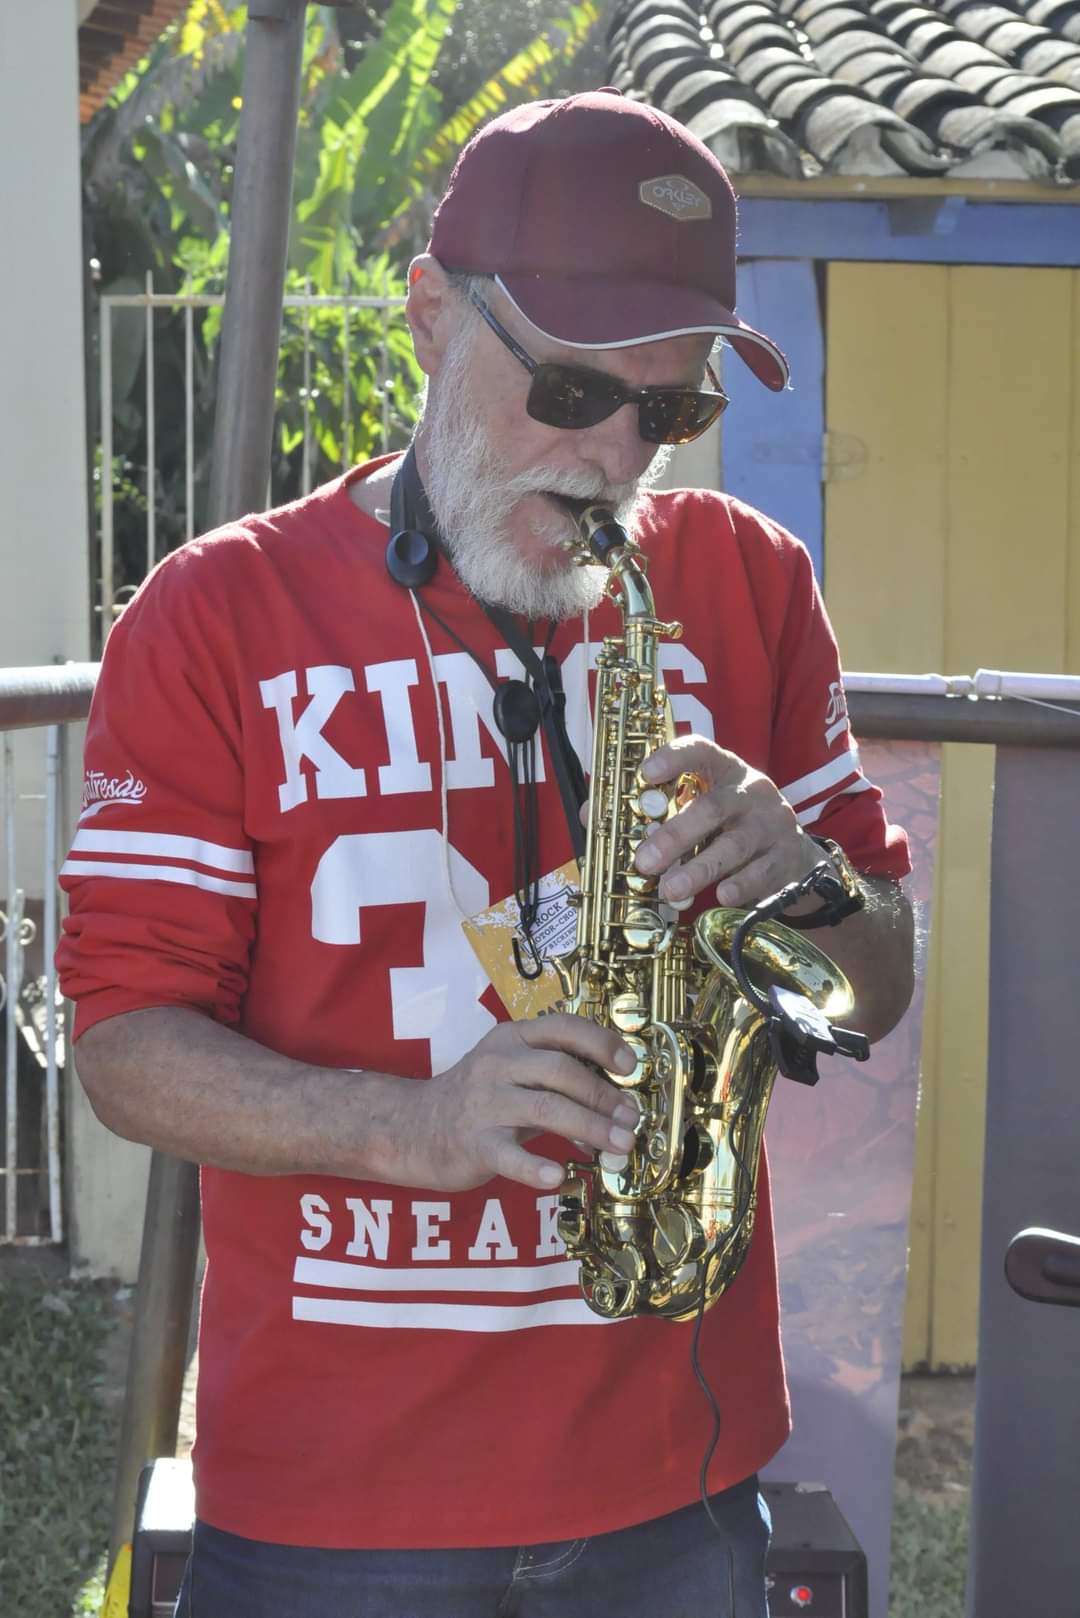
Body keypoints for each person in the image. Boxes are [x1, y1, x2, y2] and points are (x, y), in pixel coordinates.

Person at [58, 90, 914, 1617]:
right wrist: (417, 1126)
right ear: (432, 315)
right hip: (331, 1497)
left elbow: (880, 979)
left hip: (675, 1475)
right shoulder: (213, 615)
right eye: (574, 389)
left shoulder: (752, 582)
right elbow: (124, 1046)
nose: (614, 456)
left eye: (669, 412)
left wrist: (809, 879)